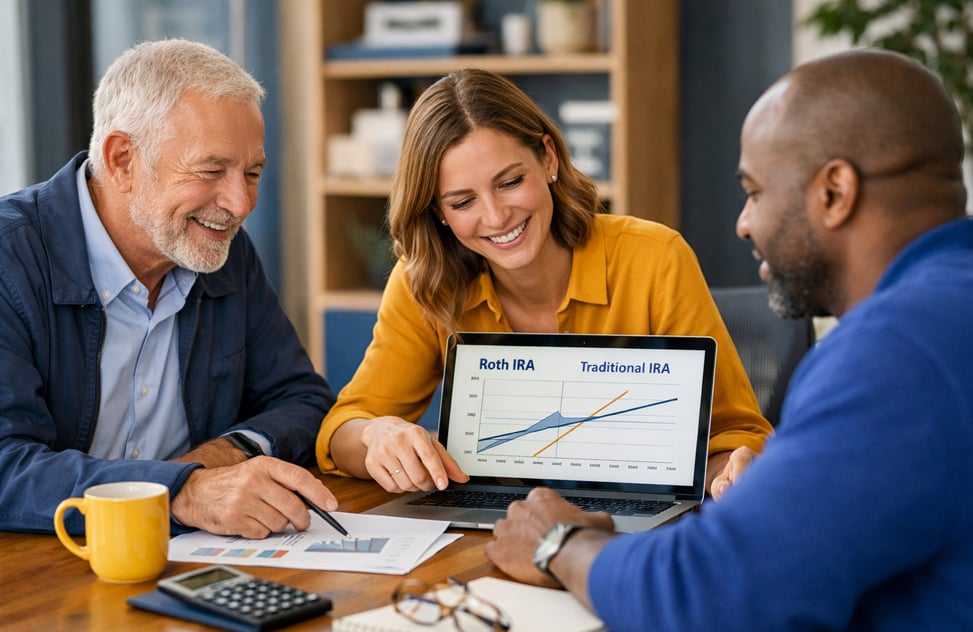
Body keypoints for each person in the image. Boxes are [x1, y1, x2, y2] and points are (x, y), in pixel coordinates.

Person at [485, 49, 973, 632]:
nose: (742, 223)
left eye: (755, 192)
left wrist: (559, 542)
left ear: (835, 191)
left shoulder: (899, 354)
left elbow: (708, 604)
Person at [315, 68, 771, 496]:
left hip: (633, 528)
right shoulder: (425, 282)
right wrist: (377, 433)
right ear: (437, 211)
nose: (495, 217)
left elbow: (737, 435)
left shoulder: (655, 259)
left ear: (548, 158)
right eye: (462, 201)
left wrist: (728, 472)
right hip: (489, 529)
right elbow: (342, 431)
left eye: (510, 182)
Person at [0, 39, 337, 540]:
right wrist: (180, 491)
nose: (241, 203)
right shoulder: (11, 258)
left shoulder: (221, 250)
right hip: (44, 568)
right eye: (211, 171)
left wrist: (215, 460)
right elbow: (7, 467)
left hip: (190, 555)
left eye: (252, 173)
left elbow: (302, 400)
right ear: (122, 160)